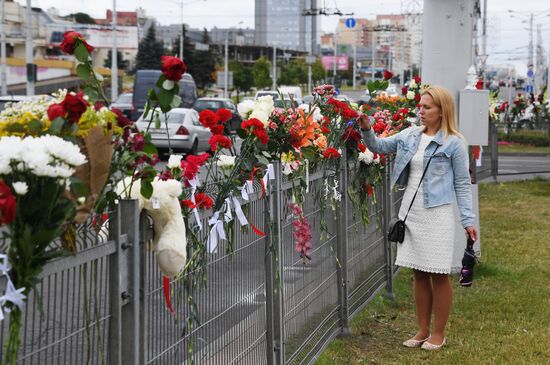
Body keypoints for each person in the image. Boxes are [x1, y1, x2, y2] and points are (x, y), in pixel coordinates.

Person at [358, 86, 477, 350]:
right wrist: (366, 128)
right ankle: (422, 330)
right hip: (410, 214)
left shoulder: (454, 143)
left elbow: (461, 182)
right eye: (420, 107)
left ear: (441, 110)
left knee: (438, 274)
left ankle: (438, 333)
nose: (420, 112)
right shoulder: (410, 135)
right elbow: (378, 146)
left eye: (427, 108)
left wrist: (468, 221)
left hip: (438, 214)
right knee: (418, 274)